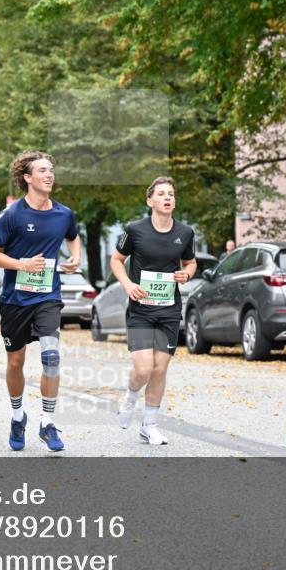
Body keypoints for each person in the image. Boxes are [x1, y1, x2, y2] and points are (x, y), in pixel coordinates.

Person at [0, 151, 82, 453]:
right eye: (42, 170)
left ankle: (47, 423)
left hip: (48, 296)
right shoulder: (12, 215)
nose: (49, 175)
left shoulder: (64, 214)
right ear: (27, 178)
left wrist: (75, 257)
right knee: (16, 361)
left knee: (51, 357)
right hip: (15, 299)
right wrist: (21, 265)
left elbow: (73, 237)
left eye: (51, 170)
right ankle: (18, 417)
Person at [110, 177, 197, 445]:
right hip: (141, 309)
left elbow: (190, 262)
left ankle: (149, 425)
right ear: (150, 201)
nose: (167, 198)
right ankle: (130, 398)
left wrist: (186, 274)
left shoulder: (185, 232)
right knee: (144, 369)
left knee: (160, 369)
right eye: (161, 194)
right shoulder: (135, 230)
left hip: (169, 309)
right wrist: (127, 285)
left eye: (171, 194)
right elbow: (116, 260)